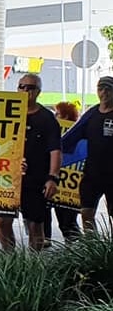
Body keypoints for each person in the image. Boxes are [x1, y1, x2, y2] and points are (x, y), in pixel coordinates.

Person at [0, 74, 61, 250]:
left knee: (35, 224)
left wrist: (52, 178)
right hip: (7, 178)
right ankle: (11, 264)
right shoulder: (7, 113)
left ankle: (35, 265)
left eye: (30, 87)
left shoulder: (47, 118)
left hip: (35, 178)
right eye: (21, 86)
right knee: (2, 221)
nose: (25, 90)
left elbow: (55, 150)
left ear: (38, 92)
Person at [62, 76, 113, 231]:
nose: (104, 92)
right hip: (92, 173)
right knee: (86, 213)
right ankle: (93, 249)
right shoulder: (92, 114)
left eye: (108, 89)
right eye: (100, 88)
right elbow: (70, 137)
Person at [47, 101, 81, 241]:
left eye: (58, 113)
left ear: (65, 116)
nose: (55, 116)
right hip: (55, 182)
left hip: (68, 188)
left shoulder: (79, 134)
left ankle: (77, 248)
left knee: (67, 222)